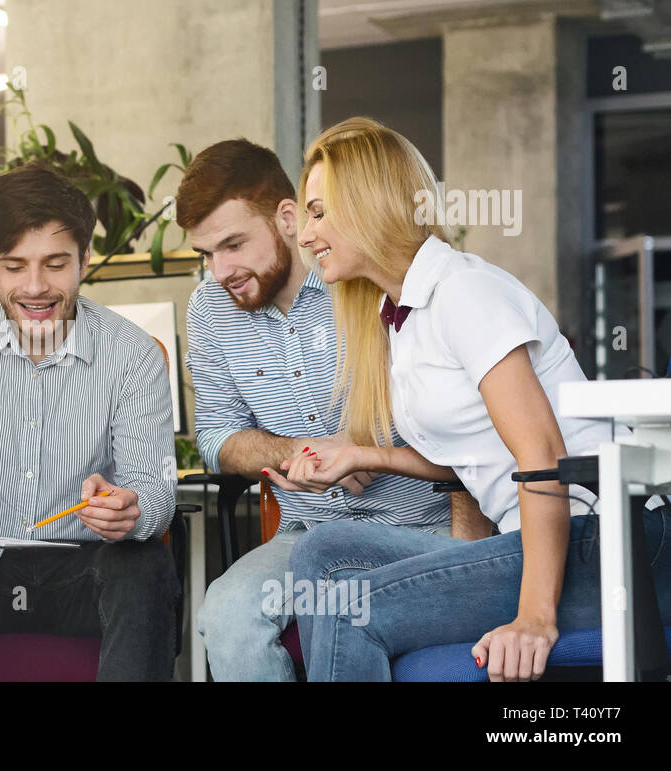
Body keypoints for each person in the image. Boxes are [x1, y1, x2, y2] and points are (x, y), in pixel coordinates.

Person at [280, 116, 671, 681]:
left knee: (348, 614)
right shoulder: (402, 316)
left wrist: (534, 617)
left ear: (369, 202)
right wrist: (364, 455)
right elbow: (481, 451)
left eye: (318, 212)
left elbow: (541, 453)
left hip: (612, 543)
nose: (303, 233)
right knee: (321, 551)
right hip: (535, 534)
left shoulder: (464, 292)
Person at [0, 163, 179, 681]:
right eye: (16, 266)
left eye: (56, 264)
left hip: (86, 570)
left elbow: (152, 489)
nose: (36, 288)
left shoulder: (132, 354)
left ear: (84, 260)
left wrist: (132, 510)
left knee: (145, 564)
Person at [175, 138, 451, 681]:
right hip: (306, 537)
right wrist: (294, 452)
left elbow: (465, 430)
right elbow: (215, 436)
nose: (220, 270)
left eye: (234, 244)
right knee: (227, 614)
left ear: (285, 218)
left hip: (423, 526)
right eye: (206, 254)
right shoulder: (209, 310)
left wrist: (361, 450)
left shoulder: (366, 278)